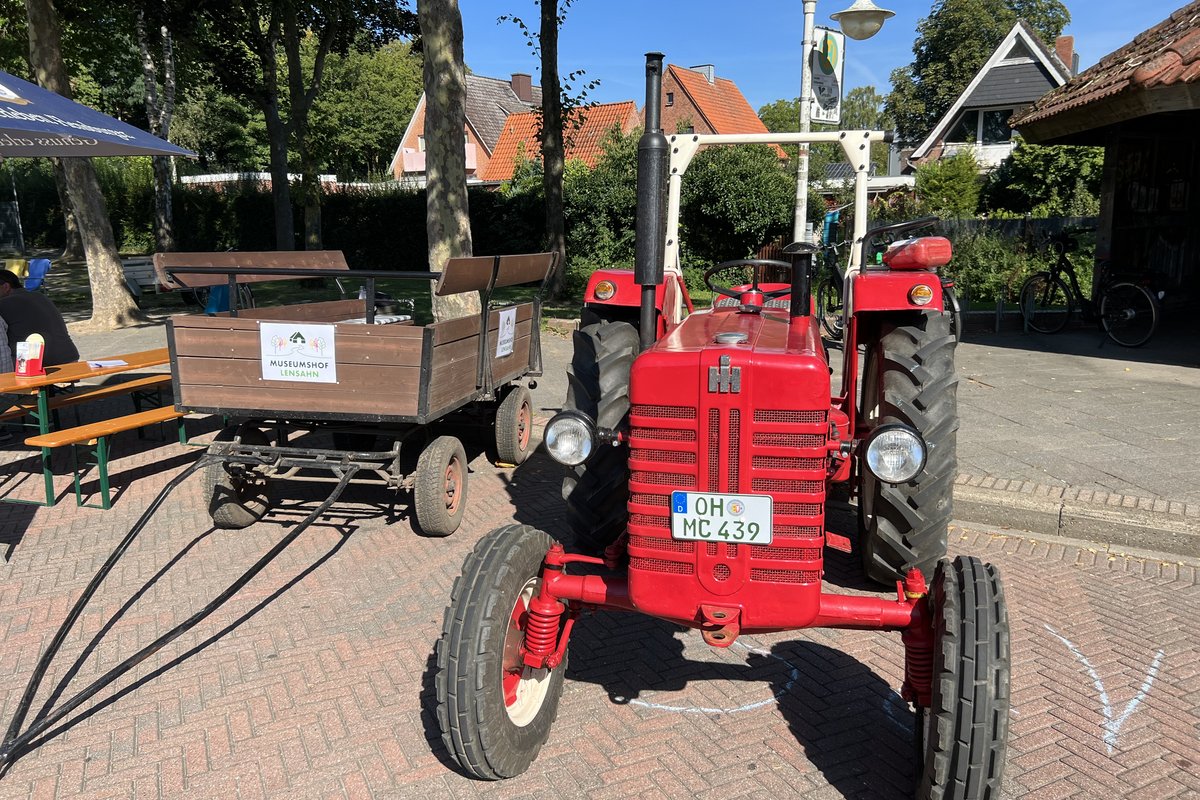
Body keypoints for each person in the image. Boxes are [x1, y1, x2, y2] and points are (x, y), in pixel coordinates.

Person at [0, 269, 79, 367]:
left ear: (6, 287)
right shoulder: (40, 296)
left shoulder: (4, 304)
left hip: (38, 364)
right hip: (69, 357)